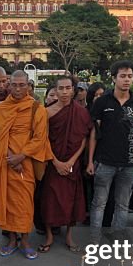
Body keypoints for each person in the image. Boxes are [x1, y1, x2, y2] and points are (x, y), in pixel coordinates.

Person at [0, 71, 51, 258]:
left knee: (23, 203)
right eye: (13, 84)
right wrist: (11, 158)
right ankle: (12, 239)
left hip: (26, 163)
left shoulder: (36, 108)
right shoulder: (1, 107)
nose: (17, 88)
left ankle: (24, 240)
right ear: (8, 84)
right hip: (6, 162)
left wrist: (21, 156)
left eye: (21, 85)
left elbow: (40, 138)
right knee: (7, 202)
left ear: (28, 86)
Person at [87, 61, 133, 239]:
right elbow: (94, 133)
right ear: (114, 78)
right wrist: (90, 160)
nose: (126, 80)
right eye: (122, 76)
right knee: (99, 204)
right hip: (105, 161)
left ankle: (119, 237)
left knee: (123, 205)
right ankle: (94, 240)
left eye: (129, 76)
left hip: (128, 164)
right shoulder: (103, 101)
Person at [40, 74, 91, 252]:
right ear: (55, 90)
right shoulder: (46, 112)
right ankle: (49, 236)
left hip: (72, 163)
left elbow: (83, 138)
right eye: (60, 88)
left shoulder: (81, 112)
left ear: (73, 90)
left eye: (67, 88)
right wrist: (55, 162)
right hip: (52, 163)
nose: (64, 92)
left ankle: (69, 235)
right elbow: (42, 140)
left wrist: (71, 161)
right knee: (49, 199)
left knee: (72, 200)